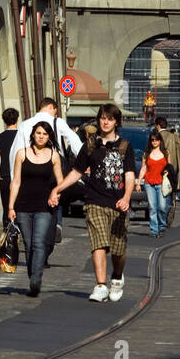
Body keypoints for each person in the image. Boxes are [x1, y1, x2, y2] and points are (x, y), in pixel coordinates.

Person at [50, 103, 136, 303]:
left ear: (116, 122)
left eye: (110, 119)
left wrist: (126, 197)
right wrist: (58, 188)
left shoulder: (125, 146)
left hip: (118, 204)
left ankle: (116, 277)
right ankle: (100, 285)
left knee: (118, 250)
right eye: (103, 118)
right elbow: (76, 172)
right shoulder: (89, 146)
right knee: (98, 243)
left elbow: (130, 175)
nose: (105, 122)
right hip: (94, 201)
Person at [10, 98, 85, 247]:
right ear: (51, 107)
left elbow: (14, 153)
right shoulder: (57, 122)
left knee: (31, 205)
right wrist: (84, 160)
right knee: (54, 195)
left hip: (28, 171)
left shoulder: (24, 125)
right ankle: (54, 226)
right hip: (50, 167)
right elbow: (74, 140)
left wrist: (14, 178)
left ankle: (35, 235)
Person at [8, 122, 65, 296]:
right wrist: (11, 206)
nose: (41, 136)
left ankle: (36, 279)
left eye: (45, 134)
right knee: (28, 243)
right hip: (23, 206)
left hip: (44, 206)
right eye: (38, 133)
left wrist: (56, 196)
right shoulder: (22, 154)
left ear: (49, 137)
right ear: (33, 134)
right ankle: (32, 274)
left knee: (38, 242)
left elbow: (61, 183)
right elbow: (16, 182)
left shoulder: (54, 156)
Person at [0, 108, 19, 228]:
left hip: (5, 177)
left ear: (4, 121)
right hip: (20, 177)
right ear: (17, 119)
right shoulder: (22, 136)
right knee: (19, 207)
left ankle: (8, 234)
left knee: (7, 208)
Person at [137, 130, 169, 237]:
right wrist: (138, 183)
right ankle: (154, 230)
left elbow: (169, 167)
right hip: (149, 183)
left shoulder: (165, 153)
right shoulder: (146, 154)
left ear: (160, 141)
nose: (154, 142)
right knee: (152, 207)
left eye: (156, 140)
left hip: (161, 183)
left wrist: (167, 172)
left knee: (162, 206)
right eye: (152, 140)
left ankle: (162, 225)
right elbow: (143, 168)